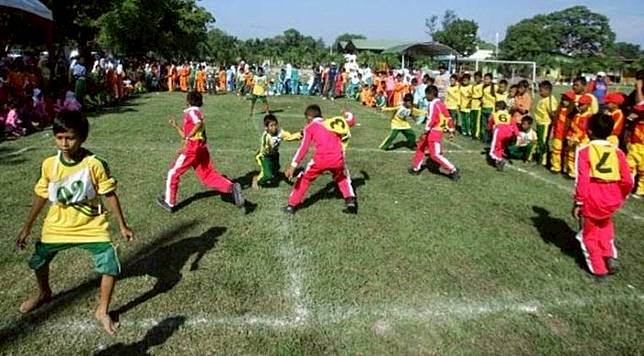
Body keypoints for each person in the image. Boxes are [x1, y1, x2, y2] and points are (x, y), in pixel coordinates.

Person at [15, 110, 134, 335]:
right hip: (57, 224)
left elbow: (109, 194)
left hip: (91, 225)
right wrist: (27, 227)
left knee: (109, 262)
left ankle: (102, 310)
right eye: (59, 137)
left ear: (82, 138)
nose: (64, 143)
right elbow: (41, 194)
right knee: (39, 259)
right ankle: (44, 293)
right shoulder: (49, 164)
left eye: (70, 138)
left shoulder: (95, 164)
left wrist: (122, 225)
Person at [157, 92, 244, 213]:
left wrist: (190, 136)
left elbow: (197, 124)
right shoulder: (197, 112)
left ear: (188, 101)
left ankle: (169, 203)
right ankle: (231, 187)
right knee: (207, 175)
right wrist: (176, 126)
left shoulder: (192, 112)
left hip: (191, 149)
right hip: (201, 148)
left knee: (173, 173)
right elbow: (189, 133)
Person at [572, 114, 633, 281]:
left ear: (589, 132)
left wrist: (578, 202)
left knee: (588, 235)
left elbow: (582, 179)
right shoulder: (618, 151)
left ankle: (599, 270)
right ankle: (609, 254)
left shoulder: (584, 151)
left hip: (593, 196)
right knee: (605, 225)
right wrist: (621, 195)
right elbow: (628, 179)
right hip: (612, 196)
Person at [284, 105, 357, 214]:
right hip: (337, 158)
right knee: (342, 177)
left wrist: (293, 165)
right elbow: (351, 121)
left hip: (320, 160)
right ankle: (350, 199)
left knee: (304, 178)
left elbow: (303, 148)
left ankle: (291, 205)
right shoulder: (332, 123)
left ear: (309, 118)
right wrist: (347, 113)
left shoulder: (309, 128)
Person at [409, 85, 460, 180]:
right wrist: (451, 129)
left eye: (427, 95)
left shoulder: (433, 104)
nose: (426, 97)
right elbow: (448, 118)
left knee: (435, 154)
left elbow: (431, 119)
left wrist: (426, 130)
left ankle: (453, 169)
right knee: (421, 147)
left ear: (431, 94)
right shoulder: (441, 103)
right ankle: (416, 168)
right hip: (435, 131)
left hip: (434, 132)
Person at [252, 114, 301, 188]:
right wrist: (270, 148)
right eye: (271, 125)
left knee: (275, 169)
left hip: (274, 154)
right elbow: (266, 148)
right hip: (265, 156)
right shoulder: (266, 136)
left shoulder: (280, 132)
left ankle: (278, 174)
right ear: (266, 128)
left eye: (275, 125)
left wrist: (300, 134)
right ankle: (257, 180)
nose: (274, 127)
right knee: (267, 175)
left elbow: (289, 137)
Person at [566, 94, 594, 178]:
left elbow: (584, 129)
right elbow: (572, 126)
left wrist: (577, 138)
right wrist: (569, 136)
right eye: (579, 104)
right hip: (573, 138)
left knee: (580, 156)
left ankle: (580, 173)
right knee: (571, 155)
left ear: (588, 105)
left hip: (582, 140)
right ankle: (572, 171)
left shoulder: (589, 116)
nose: (580, 106)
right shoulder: (577, 115)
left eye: (582, 105)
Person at [550, 91, 576, 174]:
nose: (565, 101)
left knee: (567, 153)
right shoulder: (559, 109)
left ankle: (567, 168)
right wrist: (552, 132)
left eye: (567, 100)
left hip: (567, 136)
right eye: (564, 99)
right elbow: (555, 122)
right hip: (558, 134)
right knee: (556, 151)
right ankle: (556, 166)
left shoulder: (573, 112)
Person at [488, 101, 518, 170]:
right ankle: (498, 162)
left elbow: (490, 124)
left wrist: (489, 130)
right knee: (501, 147)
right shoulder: (509, 115)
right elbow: (514, 125)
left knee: (492, 150)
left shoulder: (494, 114)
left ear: (497, 107)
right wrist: (517, 134)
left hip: (499, 130)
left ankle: (499, 160)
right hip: (508, 132)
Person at [534, 81, 558, 166]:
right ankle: (541, 157)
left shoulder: (550, 100)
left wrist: (553, 128)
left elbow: (554, 114)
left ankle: (544, 160)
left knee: (543, 142)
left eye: (541, 90)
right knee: (540, 141)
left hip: (545, 124)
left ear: (547, 90)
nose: (540, 92)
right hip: (540, 124)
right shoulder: (543, 100)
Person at [626, 104, 644, 198]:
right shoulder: (636, 122)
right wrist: (629, 141)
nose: (640, 113)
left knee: (643, 171)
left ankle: (640, 190)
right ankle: (627, 187)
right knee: (629, 167)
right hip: (634, 147)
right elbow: (631, 132)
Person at [480, 73, 496, 143]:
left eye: (487, 79)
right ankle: (484, 138)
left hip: (491, 108)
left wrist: (494, 110)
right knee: (484, 125)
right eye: (484, 79)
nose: (485, 80)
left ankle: (490, 138)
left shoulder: (495, 87)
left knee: (490, 125)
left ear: (491, 80)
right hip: (484, 108)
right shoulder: (483, 87)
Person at [470, 72, 484, 140]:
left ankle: (477, 134)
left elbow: (481, 95)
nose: (476, 79)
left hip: (478, 106)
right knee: (473, 121)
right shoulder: (474, 86)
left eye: (477, 78)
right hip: (473, 105)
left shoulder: (482, 86)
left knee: (478, 122)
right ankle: (472, 132)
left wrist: (474, 97)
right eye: (475, 78)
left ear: (481, 78)